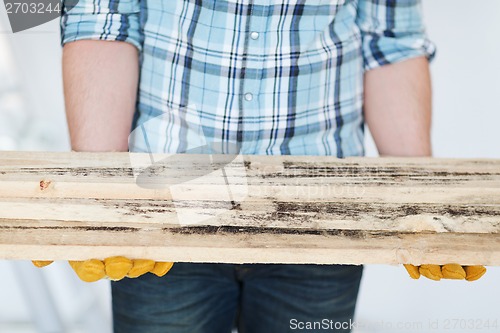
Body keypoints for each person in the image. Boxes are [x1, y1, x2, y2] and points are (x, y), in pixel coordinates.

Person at [35, 0, 485, 332]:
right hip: (166, 196)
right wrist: (105, 199)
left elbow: (389, 39)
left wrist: (419, 200)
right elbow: (101, 16)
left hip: (321, 205)